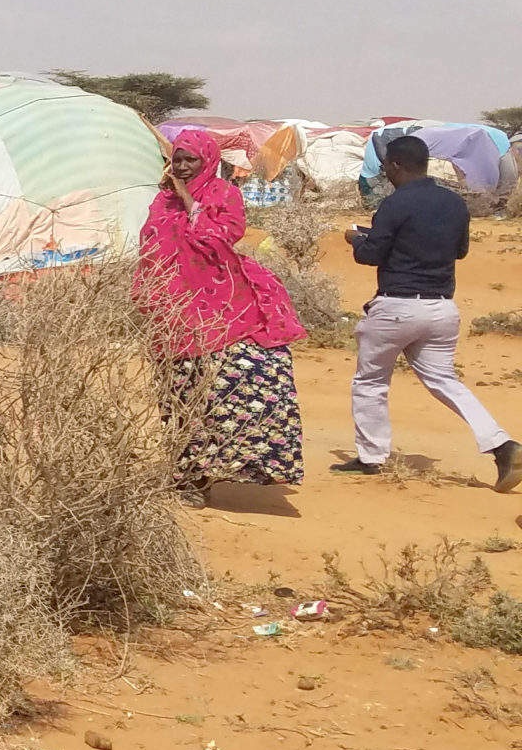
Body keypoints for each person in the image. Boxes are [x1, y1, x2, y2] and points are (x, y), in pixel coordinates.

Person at [339, 134, 522, 491]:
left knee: (371, 382)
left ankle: (371, 457)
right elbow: (461, 251)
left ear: (395, 165)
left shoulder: (394, 205)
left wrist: (356, 239)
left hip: (396, 306)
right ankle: (503, 446)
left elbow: (370, 255)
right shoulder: (454, 203)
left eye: (387, 167)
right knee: (445, 381)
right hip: (440, 309)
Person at [138, 127, 305, 496]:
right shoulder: (160, 201)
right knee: (179, 394)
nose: (181, 167)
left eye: (189, 160)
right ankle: (187, 478)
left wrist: (189, 204)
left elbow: (222, 237)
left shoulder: (224, 194)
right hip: (173, 311)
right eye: (176, 159)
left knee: (223, 390)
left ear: (207, 160)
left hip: (219, 308)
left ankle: (225, 468)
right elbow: (150, 248)